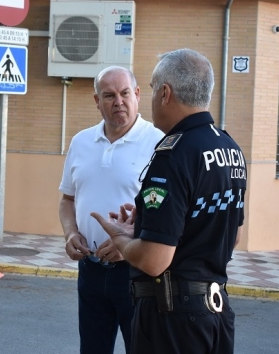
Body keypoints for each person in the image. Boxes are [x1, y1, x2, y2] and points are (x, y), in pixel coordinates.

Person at [91, 48, 247, 354]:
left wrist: (123, 239)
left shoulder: (174, 154)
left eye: (150, 88)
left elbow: (154, 260)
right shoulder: (229, 147)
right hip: (215, 313)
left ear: (165, 93)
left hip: (174, 321)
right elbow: (232, 235)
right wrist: (152, 226)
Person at [59, 65, 164, 354]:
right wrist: (70, 234)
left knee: (141, 348)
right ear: (97, 101)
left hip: (135, 273)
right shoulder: (81, 142)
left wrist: (127, 244)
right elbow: (67, 199)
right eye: (109, 95)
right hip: (90, 269)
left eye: (125, 93)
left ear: (138, 95)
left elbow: (165, 211)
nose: (119, 101)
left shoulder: (158, 144)